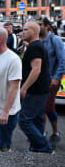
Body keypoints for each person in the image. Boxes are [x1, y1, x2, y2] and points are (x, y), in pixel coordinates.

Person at [18, 21, 53, 153]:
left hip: (36, 91)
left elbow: (36, 70)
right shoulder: (36, 46)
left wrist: (24, 88)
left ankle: (44, 147)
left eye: (26, 29)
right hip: (40, 90)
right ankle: (36, 148)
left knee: (24, 121)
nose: (23, 31)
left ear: (34, 32)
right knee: (37, 120)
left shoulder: (35, 47)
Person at [38, 17, 65, 147]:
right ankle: (41, 133)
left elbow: (62, 60)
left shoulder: (55, 40)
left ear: (47, 26)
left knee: (48, 106)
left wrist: (56, 77)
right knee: (40, 107)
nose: (38, 27)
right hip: (40, 80)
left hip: (52, 79)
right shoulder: (37, 41)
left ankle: (55, 133)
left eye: (40, 25)